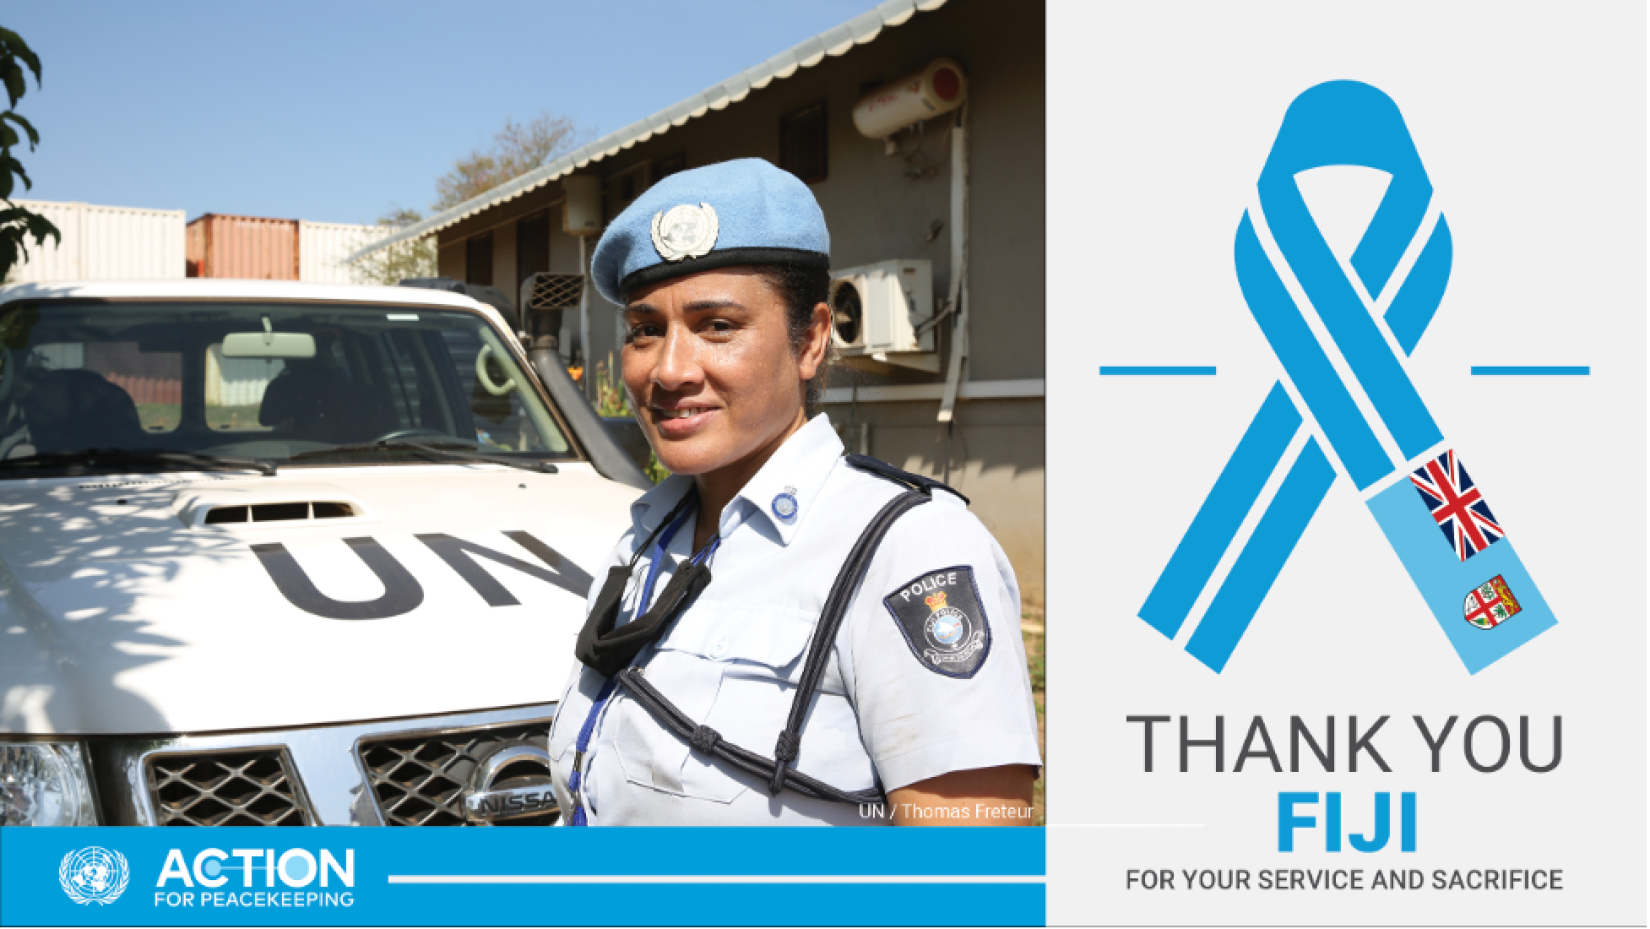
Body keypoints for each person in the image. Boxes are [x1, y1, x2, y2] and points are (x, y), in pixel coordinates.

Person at [545, 158, 1040, 826]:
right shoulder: (648, 536)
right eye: (645, 329)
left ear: (810, 341)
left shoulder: (907, 550)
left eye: (717, 325)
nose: (667, 370)